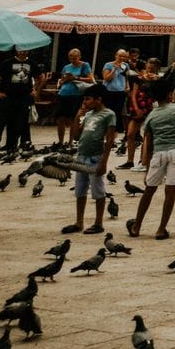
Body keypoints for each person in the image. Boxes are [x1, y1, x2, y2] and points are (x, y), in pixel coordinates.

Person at [129, 76, 175, 240]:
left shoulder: (151, 115)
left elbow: (148, 142)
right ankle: (161, 229)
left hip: (158, 154)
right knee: (170, 192)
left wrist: (147, 167)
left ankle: (137, 226)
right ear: (170, 94)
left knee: (149, 190)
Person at [62, 84, 116, 236]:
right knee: (80, 190)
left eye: (88, 99)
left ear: (99, 99)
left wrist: (104, 161)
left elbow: (110, 139)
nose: (85, 102)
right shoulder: (88, 114)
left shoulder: (108, 114)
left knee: (98, 190)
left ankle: (98, 222)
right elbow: (76, 136)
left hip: (95, 157)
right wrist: (78, 116)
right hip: (81, 156)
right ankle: (79, 221)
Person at [0, 46, 37, 156]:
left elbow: (41, 77)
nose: (23, 52)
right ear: (17, 51)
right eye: (21, 50)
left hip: (24, 97)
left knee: (17, 122)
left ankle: (11, 146)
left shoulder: (31, 63)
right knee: (0, 122)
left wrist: (36, 90)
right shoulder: (7, 62)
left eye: (25, 50)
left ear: (28, 51)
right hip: (8, 96)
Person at [53, 48, 93, 149]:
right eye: (71, 57)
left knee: (72, 119)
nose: (73, 60)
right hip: (64, 93)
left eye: (75, 58)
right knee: (60, 119)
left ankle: (71, 141)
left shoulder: (85, 65)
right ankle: (60, 142)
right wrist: (64, 80)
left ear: (79, 56)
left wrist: (76, 78)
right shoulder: (66, 67)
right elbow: (61, 80)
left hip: (76, 94)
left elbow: (90, 80)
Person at [122, 62, 157, 171]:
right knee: (130, 134)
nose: (150, 70)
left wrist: (155, 80)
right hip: (138, 108)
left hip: (150, 108)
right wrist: (136, 108)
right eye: (148, 67)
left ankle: (143, 161)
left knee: (147, 135)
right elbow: (133, 94)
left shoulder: (157, 80)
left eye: (152, 68)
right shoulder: (139, 78)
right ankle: (130, 161)